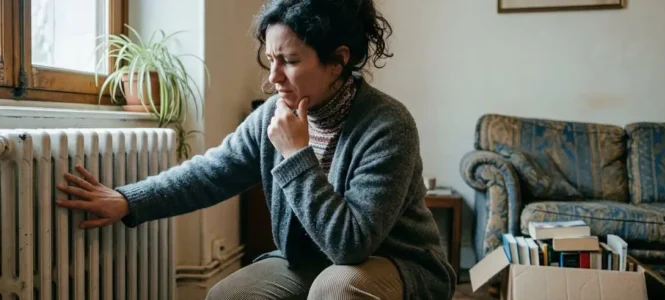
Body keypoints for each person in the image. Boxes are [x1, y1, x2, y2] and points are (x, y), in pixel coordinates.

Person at [55, 0, 456, 299]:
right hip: (308, 262)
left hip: (399, 263)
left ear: (338, 61)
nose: (273, 78)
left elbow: (350, 245)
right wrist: (128, 200)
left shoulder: (387, 125)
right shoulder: (272, 115)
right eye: (270, 60)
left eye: (290, 61)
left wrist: (297, 155)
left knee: (337, 290)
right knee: (226, 296)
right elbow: (213, 171)